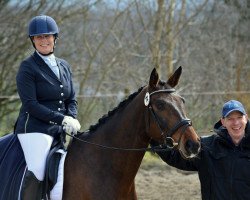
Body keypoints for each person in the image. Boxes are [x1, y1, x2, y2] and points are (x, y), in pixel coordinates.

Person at [15, 15, 81, 200]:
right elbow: (30, 105)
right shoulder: (27, 67)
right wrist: (62, 119)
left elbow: (72, 99)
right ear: (33, 40)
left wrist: (72, 117)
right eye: (39, 37)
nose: (44, 40)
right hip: (34, 130)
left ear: (55, 38)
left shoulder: (64, 66)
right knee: (37, 169)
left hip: (58, 130)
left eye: (47, 36)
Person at [151, 99, 250, 200]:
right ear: (223, 122)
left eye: (239, 117)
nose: (236, 122)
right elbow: (175, 158)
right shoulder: (206, 147)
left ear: (246, 118)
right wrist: (155, 139)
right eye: (230, 119)